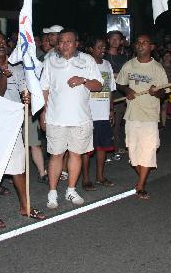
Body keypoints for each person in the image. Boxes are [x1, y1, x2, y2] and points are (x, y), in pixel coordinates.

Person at [0, 31, 46, 225]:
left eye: (3, 41)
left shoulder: (18, 69)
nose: (1, 44)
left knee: (19, 168)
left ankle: (25, 205)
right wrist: (3, 75)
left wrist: (27, 99)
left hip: (13, 127)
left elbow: (23, 94)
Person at [40, 28, 103, 209]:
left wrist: (83, 80)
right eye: (61, 41)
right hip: (56, 118)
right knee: (56, 155)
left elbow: (98, 85)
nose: (64, 44)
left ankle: (71, 189)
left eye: (69, 41)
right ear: (57, 44)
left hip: (81, 119)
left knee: (76, 155)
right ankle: (52, 192)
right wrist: (43, 113)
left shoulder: (87, 60)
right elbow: (44, 89)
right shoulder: (50, 62)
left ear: (76, 43)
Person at [116, 34, 168, 199]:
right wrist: (127, 90)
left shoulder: (157, 68)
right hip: (132, 115)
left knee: (148, 150)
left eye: (145, 43)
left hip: (150, 116)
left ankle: (140, 186)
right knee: (133, 152)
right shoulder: (129, 65)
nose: (141, 45)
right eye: (138, 43)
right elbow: (120, 83)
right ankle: (142, 178)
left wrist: (156, 91)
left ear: (151, 47)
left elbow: (163, 93)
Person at [81, 36, 116, 190]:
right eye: (99, 47)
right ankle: (86, 179)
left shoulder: (107, 65)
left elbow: (110, 89)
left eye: (104, 47)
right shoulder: (85, 66)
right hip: (88, 114)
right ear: (90, 49)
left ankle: (100, 176)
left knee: (102, 147)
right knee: (87, 149)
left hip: (103, 113)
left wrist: (111, 109)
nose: (103, 50)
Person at [105, 30, 129, 158]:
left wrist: (114, 75)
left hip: (120, 95)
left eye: (117, 39)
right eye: (112, 38)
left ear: (121, 42)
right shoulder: (102, 57)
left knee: (117, 122)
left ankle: (117, 147)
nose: (115, 41)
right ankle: (104, 148)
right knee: (104, 122)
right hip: (103, 95)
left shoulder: (124, 58)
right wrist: (116, 75)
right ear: (108, 40)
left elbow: (126, 76)